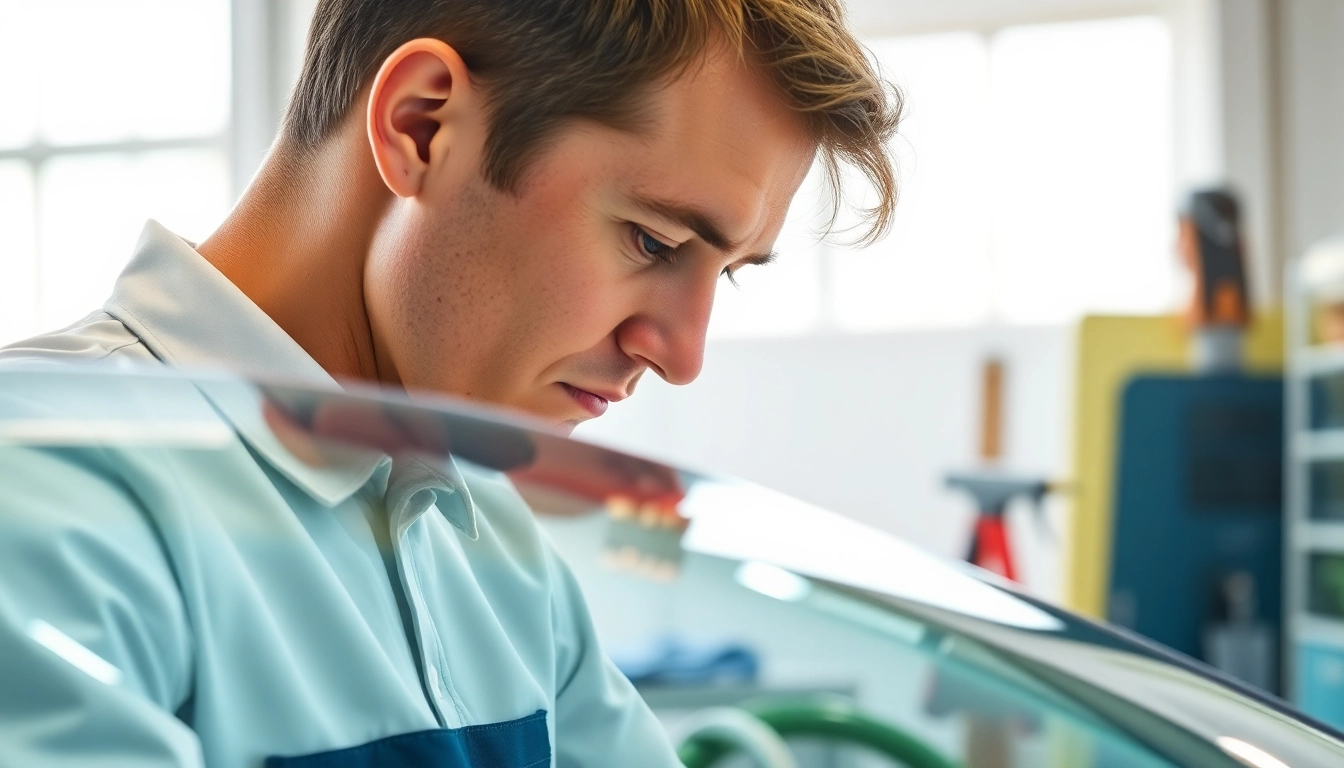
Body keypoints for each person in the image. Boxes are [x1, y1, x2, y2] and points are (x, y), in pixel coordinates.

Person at [0, 1, 899, 766]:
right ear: (420, 126)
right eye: (653, 242)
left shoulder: (491, 540)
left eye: (728, 270)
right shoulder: (43, 494)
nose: (681, 354)